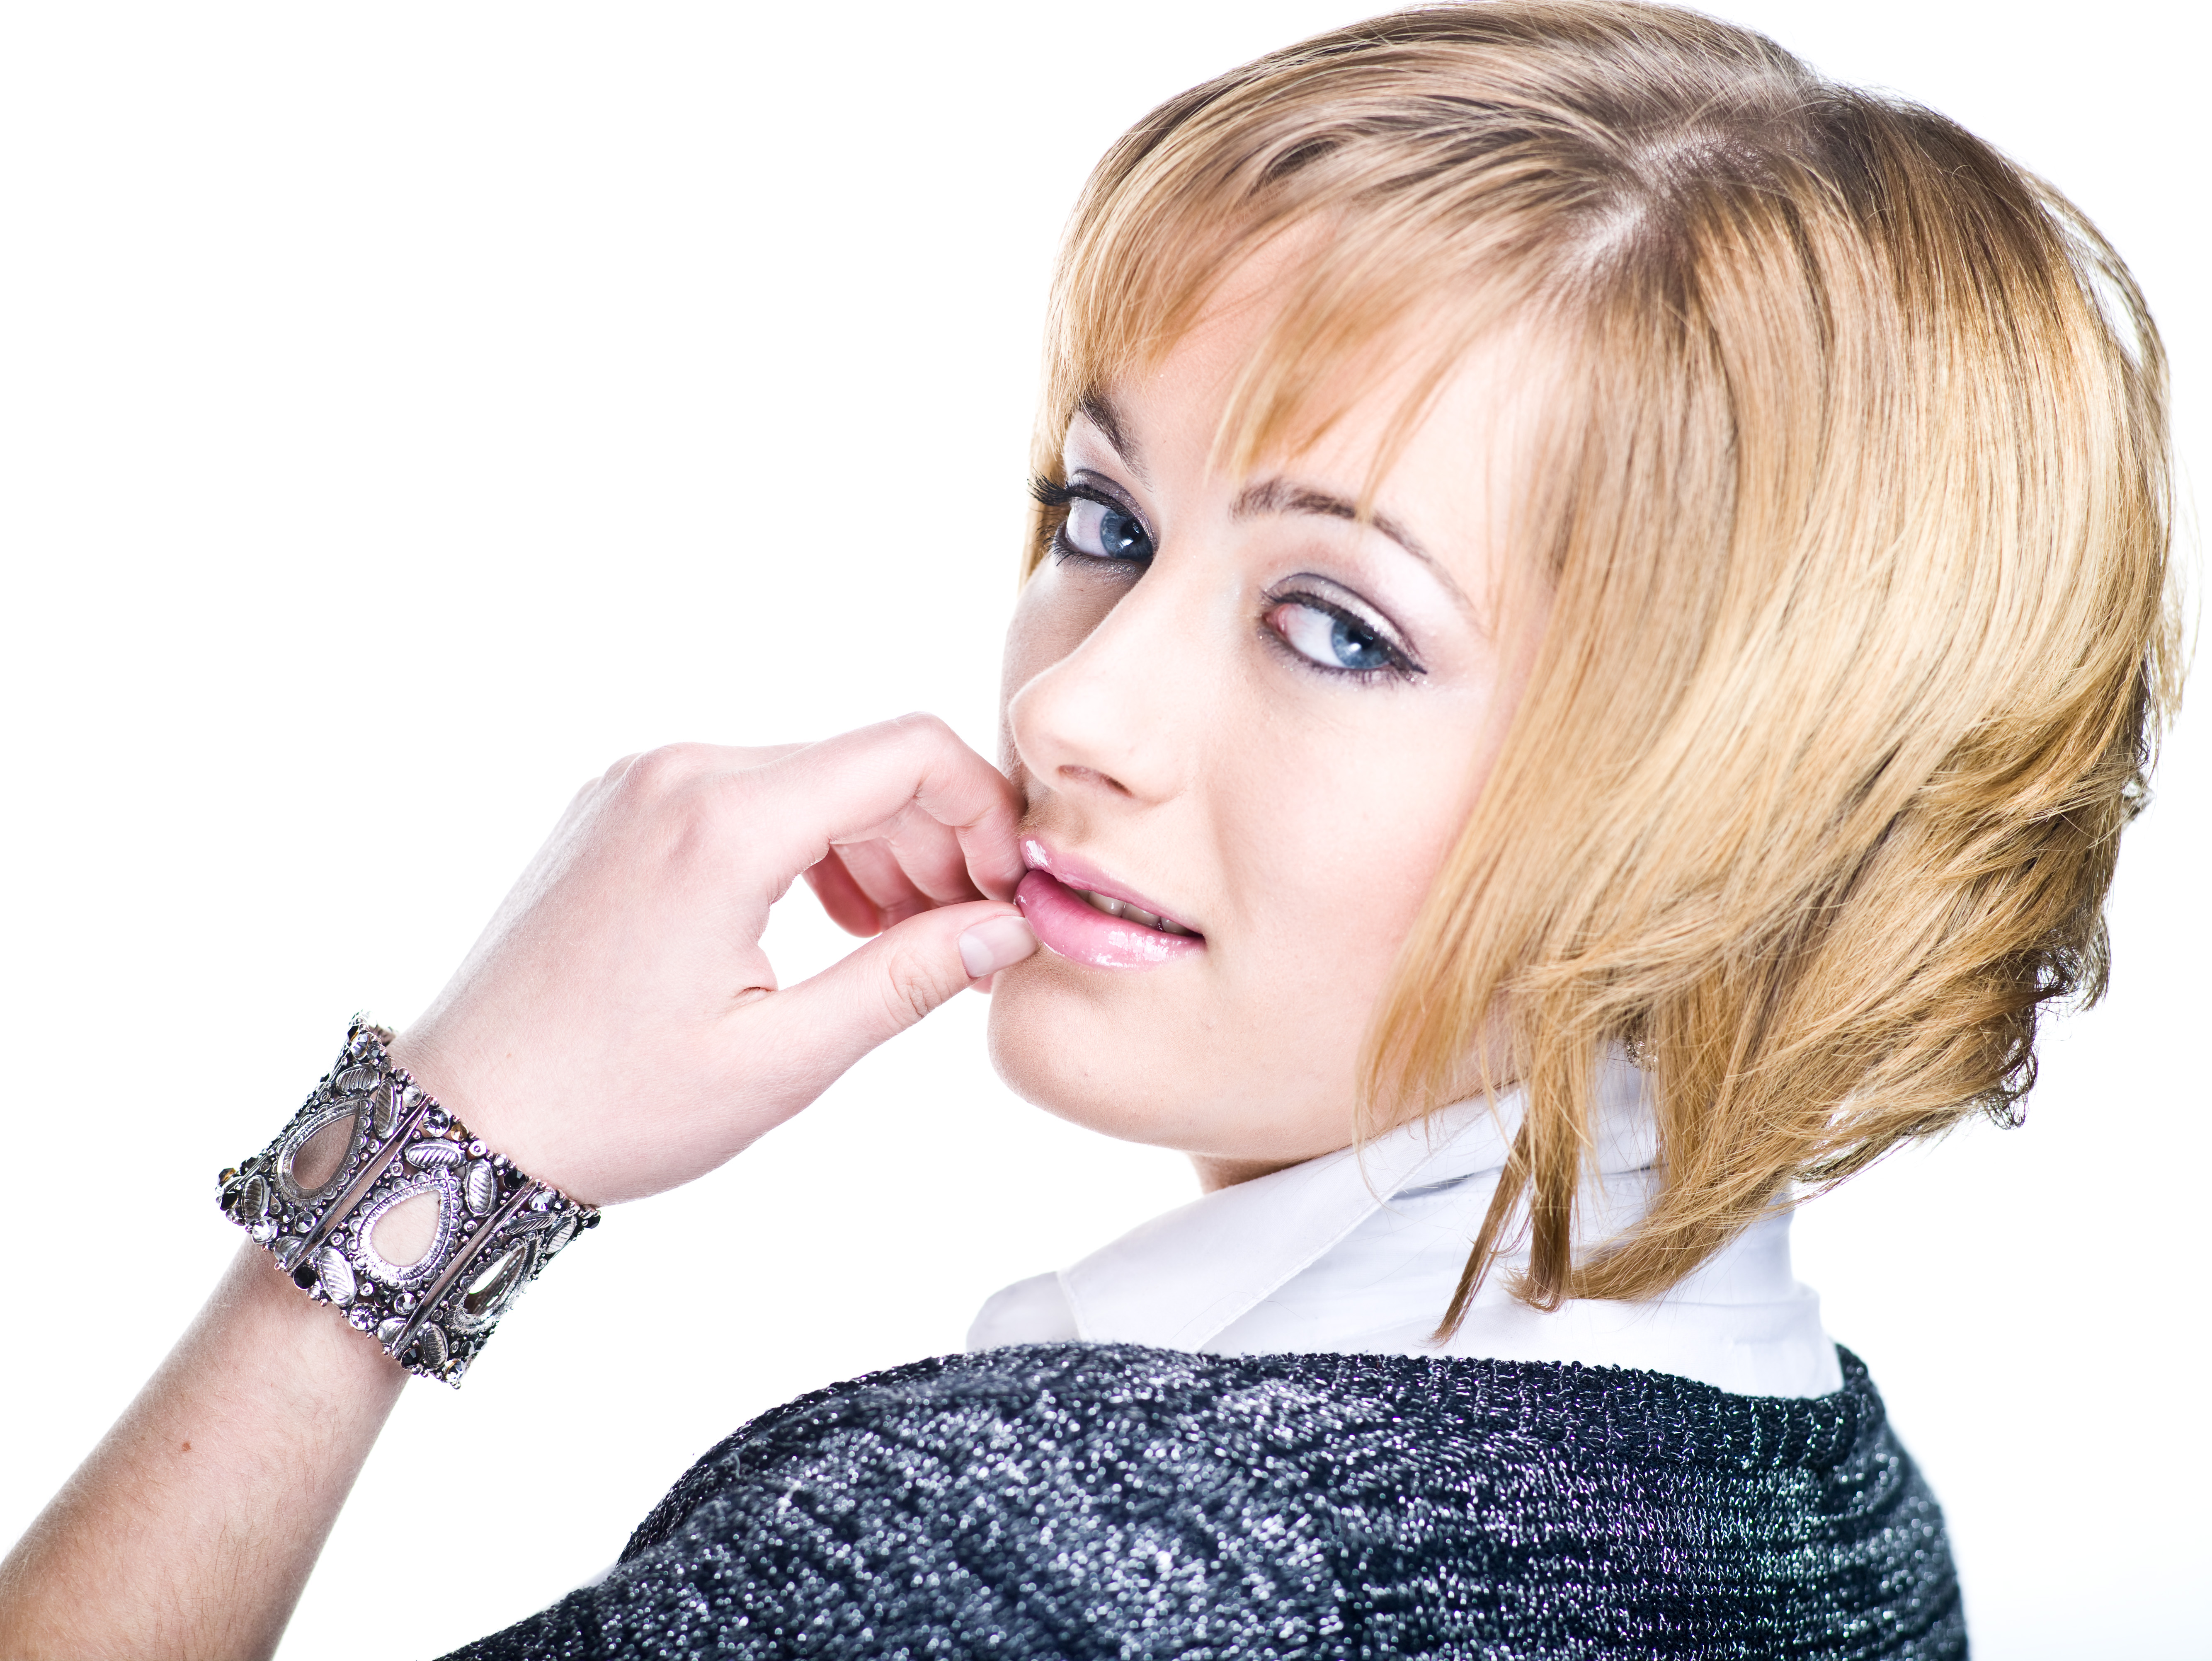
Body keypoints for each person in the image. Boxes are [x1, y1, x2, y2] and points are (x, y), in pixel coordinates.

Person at [0, 2, 2175, 1655]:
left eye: (1339, 627)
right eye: (1105, 520)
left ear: (1747, 805)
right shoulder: (1827, 1502)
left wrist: (427, 1168)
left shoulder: (1000, 1565)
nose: (1071, 706)